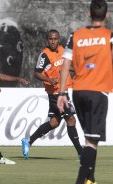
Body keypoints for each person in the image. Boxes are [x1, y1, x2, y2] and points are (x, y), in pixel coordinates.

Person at [57, 1, 112, 183]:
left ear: (89, 14)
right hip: (98, 92)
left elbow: (65, 65)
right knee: (91, 142)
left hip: (78, 92)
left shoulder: (76, 36)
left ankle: (91, 179)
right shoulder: (109, 37)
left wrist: (62, 93)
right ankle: (81, 181)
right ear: (107, 15)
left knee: (90, 138)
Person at [21, 30, 83, 160]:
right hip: (55, 93)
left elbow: (66, 67)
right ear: (47, 40)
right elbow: (36, 73)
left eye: (55, 39)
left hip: (63, 91)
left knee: (54, 122)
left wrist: (78, 70)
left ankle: (28, 141)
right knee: (71, 119)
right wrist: (49, 80)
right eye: (50, 39)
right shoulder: (45, 55)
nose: (53, 41)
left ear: (59, 39)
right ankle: (81, 152)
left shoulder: (63, 50)